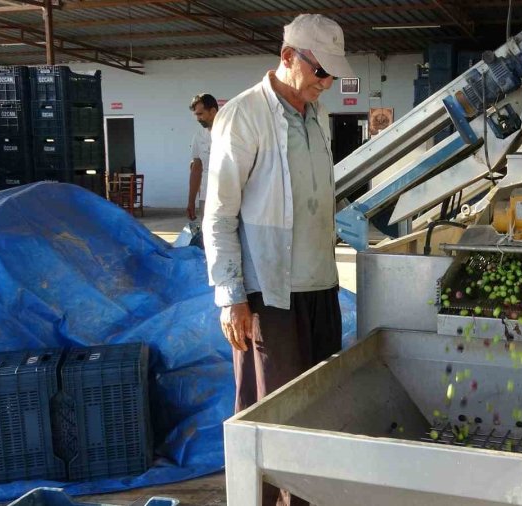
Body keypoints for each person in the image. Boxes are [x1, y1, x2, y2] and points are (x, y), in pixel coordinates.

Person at [202, 13, 354, 506]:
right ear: (288, 57)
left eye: (331, 74)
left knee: (317, 412)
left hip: (320, 289)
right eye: (319, 71)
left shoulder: (317, 119)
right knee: (269, 417)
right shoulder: (244, 116)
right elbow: (220, 216)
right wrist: (231, 298)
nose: (326, 83)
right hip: (269, 296)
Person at [186, 93, 218, 221]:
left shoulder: (230, 133)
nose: (198, 119)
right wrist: (191, 201)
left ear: (213, 111)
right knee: (208, 236)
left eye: (200, 114)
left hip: (229, 198)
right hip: (206, 196)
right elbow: (196, 169)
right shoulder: (199, 136)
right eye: (196, 115)